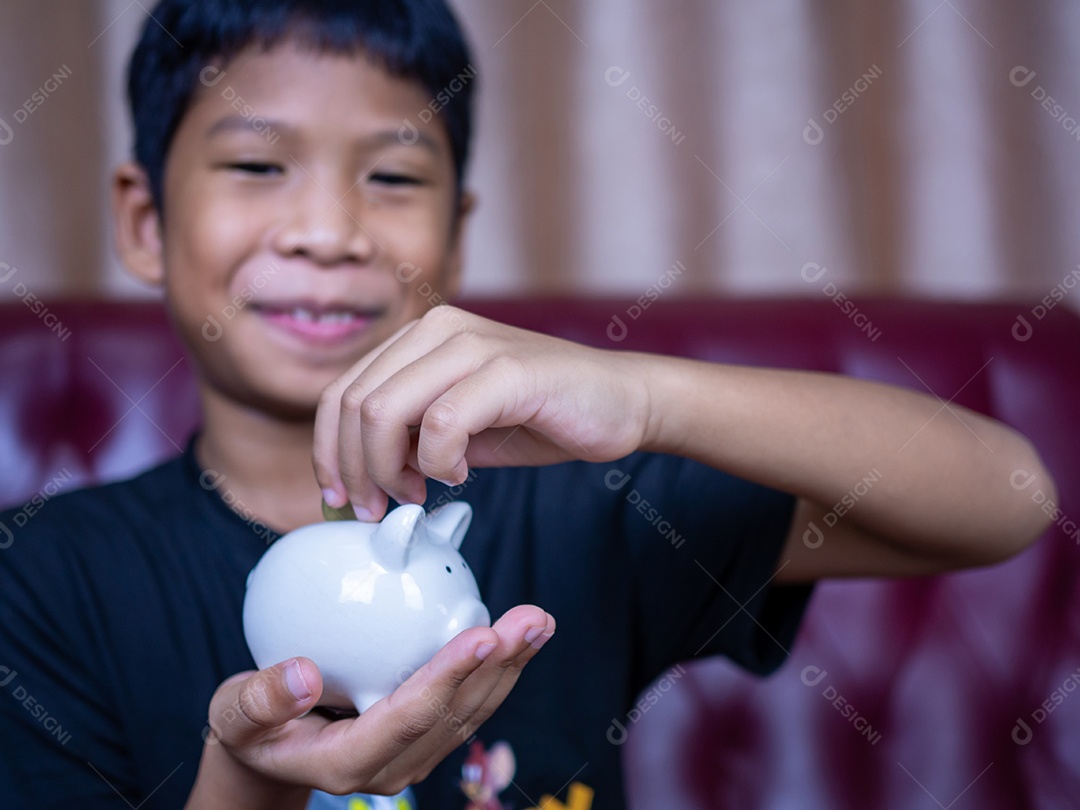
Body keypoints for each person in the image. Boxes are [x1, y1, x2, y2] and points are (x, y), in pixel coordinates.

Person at [0, 0, 1057, 808]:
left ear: (457, 237)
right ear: (144, 220)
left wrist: (646, 396)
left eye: (394, 180)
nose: (328, 229)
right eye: (257, 163)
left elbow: (1008, 497)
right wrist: (253, 784)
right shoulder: (44, 580)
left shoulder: (588, 505)